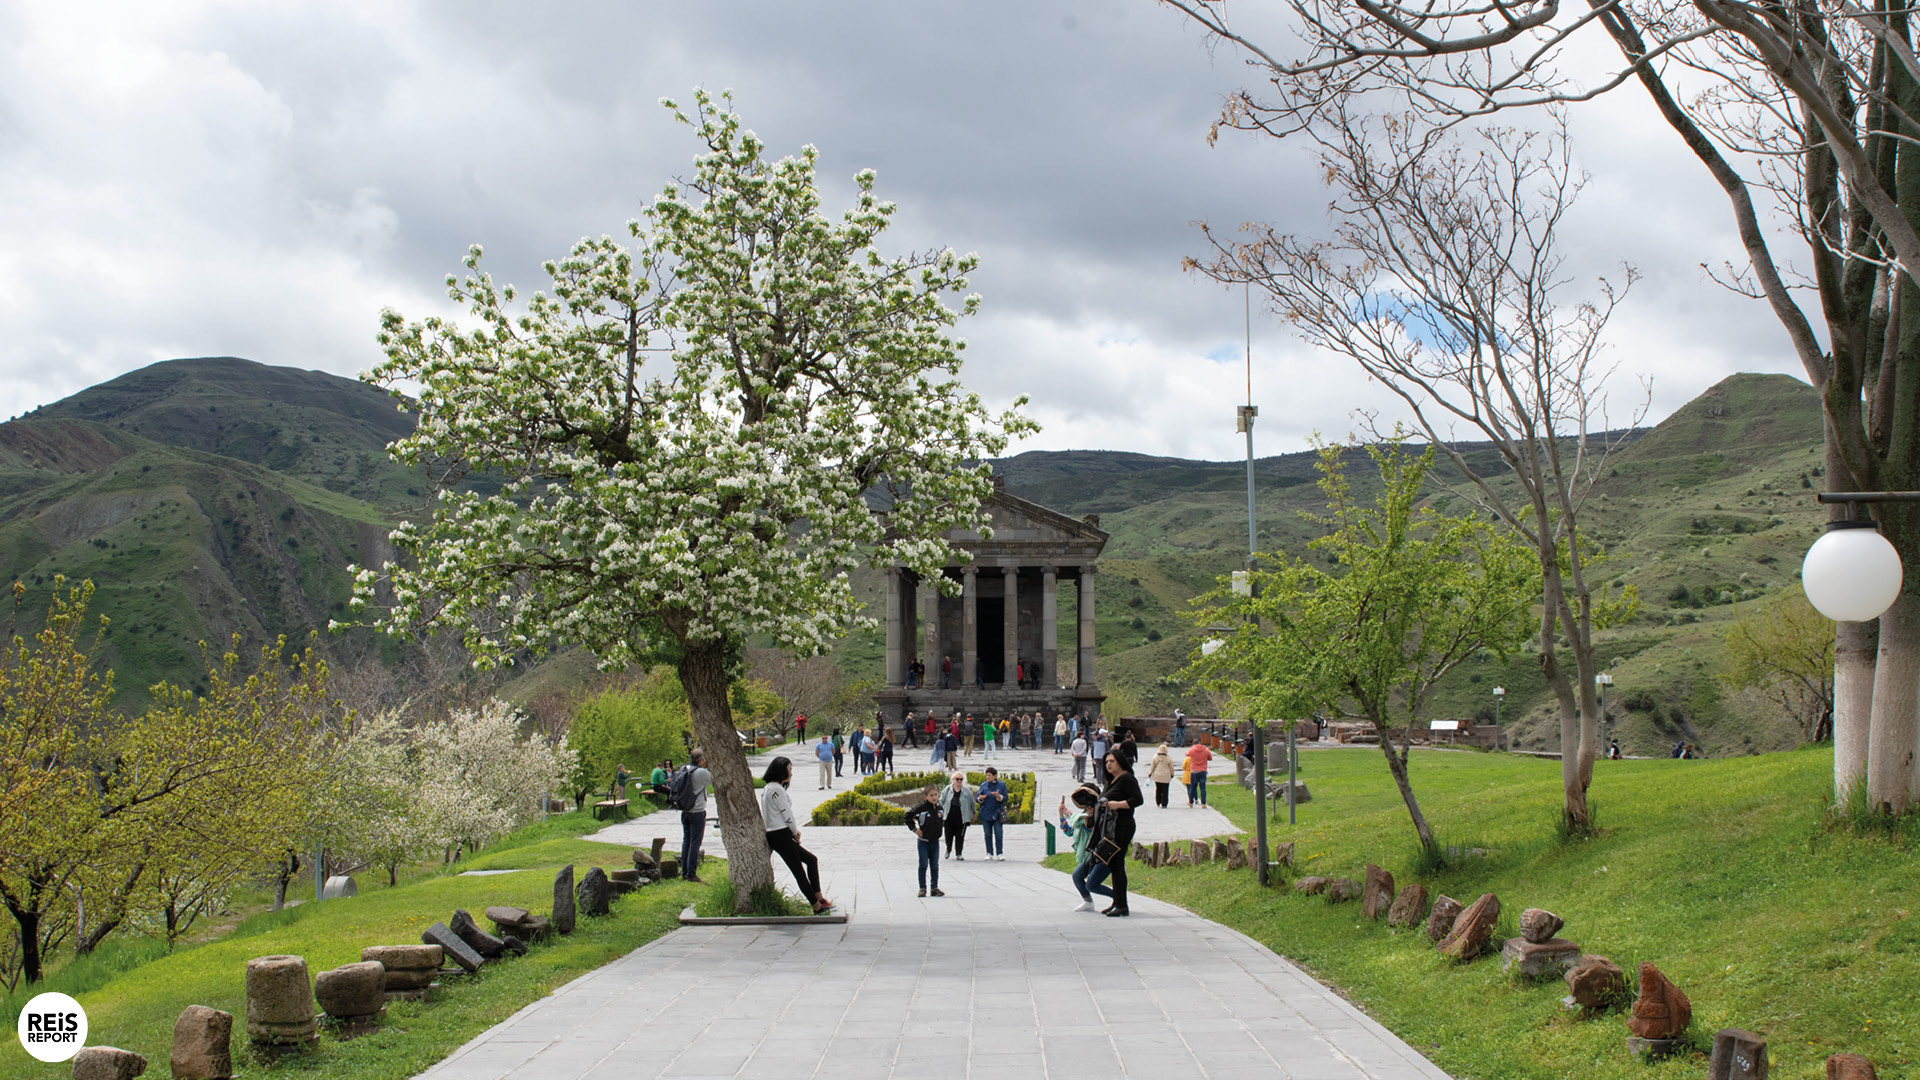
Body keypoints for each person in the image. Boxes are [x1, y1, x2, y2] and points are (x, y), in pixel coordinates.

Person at [759, 756, 831, 913]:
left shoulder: (768, 789)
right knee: (799, 871)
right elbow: (787, 814)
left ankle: (819, 898)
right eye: (789, 769)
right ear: (781, 770)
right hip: (780, 833)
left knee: (811, 860)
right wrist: (795, 832)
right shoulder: (776, 789)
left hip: (776, 833)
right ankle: (816, 906)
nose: (791, 773)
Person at [1096, 749, 1144, 916]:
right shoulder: (1111, 781)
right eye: (1107, 762)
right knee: (1113, 863)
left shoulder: (1127, 779)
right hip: (1110, 827)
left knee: (1117, 863)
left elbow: (1138, 800)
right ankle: (1117, 901)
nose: (1108, 764)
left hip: (1123, 825)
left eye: (1112, 761)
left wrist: (1117, 804)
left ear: (1120, 762)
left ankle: (1122, 905)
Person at [1059, 784, 1112, 911]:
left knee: (1092, 885)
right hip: (1091, 855)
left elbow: (1085, 825)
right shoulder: (1084, 815)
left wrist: (1069, 814)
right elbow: (1071, 831)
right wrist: (1062, 816)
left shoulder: (1101, 813)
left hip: (1103, 853)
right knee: (1077, 876)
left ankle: (1118, 897)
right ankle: (1088, 902)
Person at [676, 748, 712, 883]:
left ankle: (684, 872)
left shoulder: (684, 769)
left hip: (685, 810)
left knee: (686, 841)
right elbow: (715, 781)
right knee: (695, 843)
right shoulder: (701, 772)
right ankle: (691, 874)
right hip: (697, 811)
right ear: (701, 760)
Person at [905, 783, 946, 897]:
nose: (934, 797)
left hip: (935, 842)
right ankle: (922, 888)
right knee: (923, 865)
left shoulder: (939, 808)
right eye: (931, 795)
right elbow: (907, 816)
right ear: (925, 797)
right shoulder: (921, 808)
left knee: (935, 866)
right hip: (924, 843)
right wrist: (914, 829)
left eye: (936, 795)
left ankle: (934, 887)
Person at [938, 771, 976, 859]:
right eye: (957, 779)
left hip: (962, 818)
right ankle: (948, 849)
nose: (959, 781)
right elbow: (941, 801)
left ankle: (959, 853)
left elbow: (972, 802)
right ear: (953, 780)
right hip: (949, 817)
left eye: (961, 779)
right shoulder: (947, 789)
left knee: (960, 837)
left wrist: (974, 813)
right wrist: (939, 811)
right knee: (948, 836)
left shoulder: (966, 791)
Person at [976, 766, 1008, 860]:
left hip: (997, 813)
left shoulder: (1001, 785)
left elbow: (1005, 798)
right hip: (986, 812)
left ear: (995, 776)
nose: (988, 777)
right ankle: (989, 852)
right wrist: (981, 798)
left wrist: (998, 796)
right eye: (987, 775)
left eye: (990, 775)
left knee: (998, 833)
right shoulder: (983, 785)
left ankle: (1000, 853)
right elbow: (978, 798)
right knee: (987, 834)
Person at [1185, 739, 1212, 807]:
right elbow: (1210, 758)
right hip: (1203, 770)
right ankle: (1203, 803)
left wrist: (1192, 749)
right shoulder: (1206, 750)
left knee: (1193, 787)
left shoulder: (1192, 750)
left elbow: (1186, 754)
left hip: (1194, 771)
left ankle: (1191, 802)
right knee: (1203, 787)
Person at [1147, 744, 1175, 808]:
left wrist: (1150, 773)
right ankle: (1164, 803)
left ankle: (1158, 801)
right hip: (1166, 776)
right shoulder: (1169, 758)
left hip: (1157, 775)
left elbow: (1152, 766)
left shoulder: (1155, 757)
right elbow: (1171, 768)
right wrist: (1172, 774)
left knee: (1158, 789)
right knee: (1165, 790)